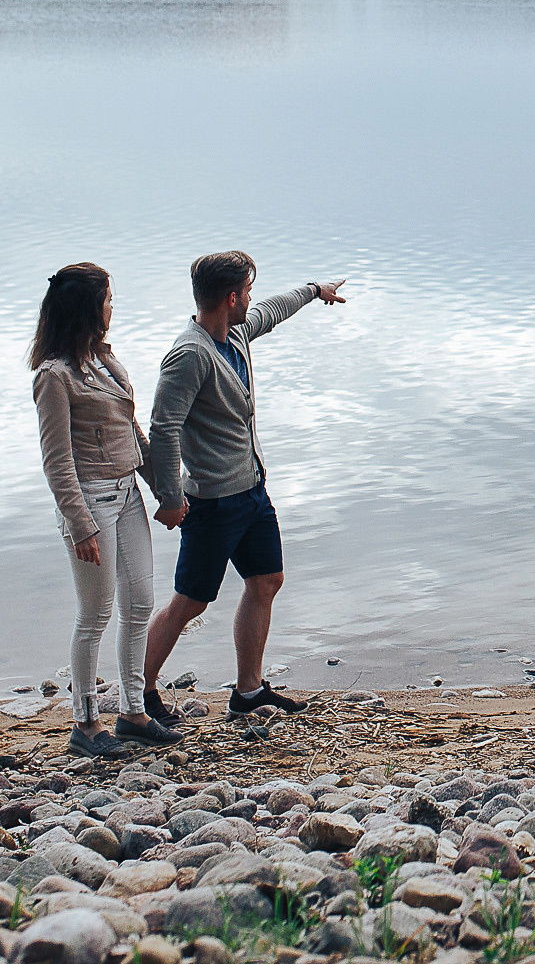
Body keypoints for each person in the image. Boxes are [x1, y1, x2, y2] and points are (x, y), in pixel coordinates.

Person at [140, 251, 346, 721]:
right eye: (246, 292)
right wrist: (171, 498)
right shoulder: (188, 355)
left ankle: (248, 691)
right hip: (212, 502)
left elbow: (271, 311)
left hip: (252, 490)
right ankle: (140, 693)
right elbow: (164, 427)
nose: (251, 299)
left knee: (266, 581)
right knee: (189, 602)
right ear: (231, 297)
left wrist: (315, 291)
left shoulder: (233, 332)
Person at [30, 262, 179, 758]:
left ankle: (134, 712)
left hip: (129, 495)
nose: (113, 308)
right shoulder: (54, 376)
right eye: (108, 299)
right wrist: (81, 525)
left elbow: (131, 431)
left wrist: (164, 490)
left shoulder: (105, 360)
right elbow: (57, 461)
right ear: (87, 309)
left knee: (139, 603)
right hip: (89, 503)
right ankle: (86, 723)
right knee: (94, 614)